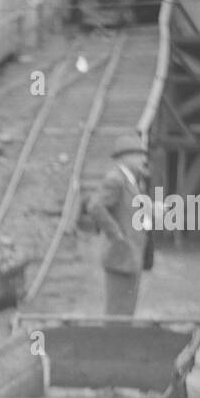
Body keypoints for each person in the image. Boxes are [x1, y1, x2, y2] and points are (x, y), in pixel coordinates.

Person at [88, 132, 151, 316]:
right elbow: (95, 206)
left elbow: (127, 210)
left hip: (130, 257)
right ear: (125, 157)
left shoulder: (131, 182)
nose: (143, 159)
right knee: (118, 313)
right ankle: (111, 344)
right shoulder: (115, 179)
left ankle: (119, 343)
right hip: (121, 256)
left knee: (126, 312)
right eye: (138, 155)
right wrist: (116, 235)